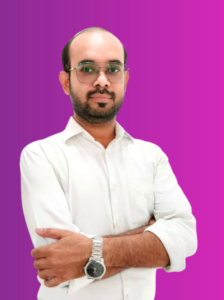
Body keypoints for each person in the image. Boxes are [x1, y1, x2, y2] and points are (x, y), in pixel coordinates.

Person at [20, 27, 198, 300]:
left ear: (125, 80)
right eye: (87, 69)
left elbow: (185, 237)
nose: (102, 81)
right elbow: (60, 263)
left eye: (113, 70)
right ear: (66, 82)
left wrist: (90, 251)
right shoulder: (41, 155)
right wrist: (150, 236)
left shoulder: (152, 157)